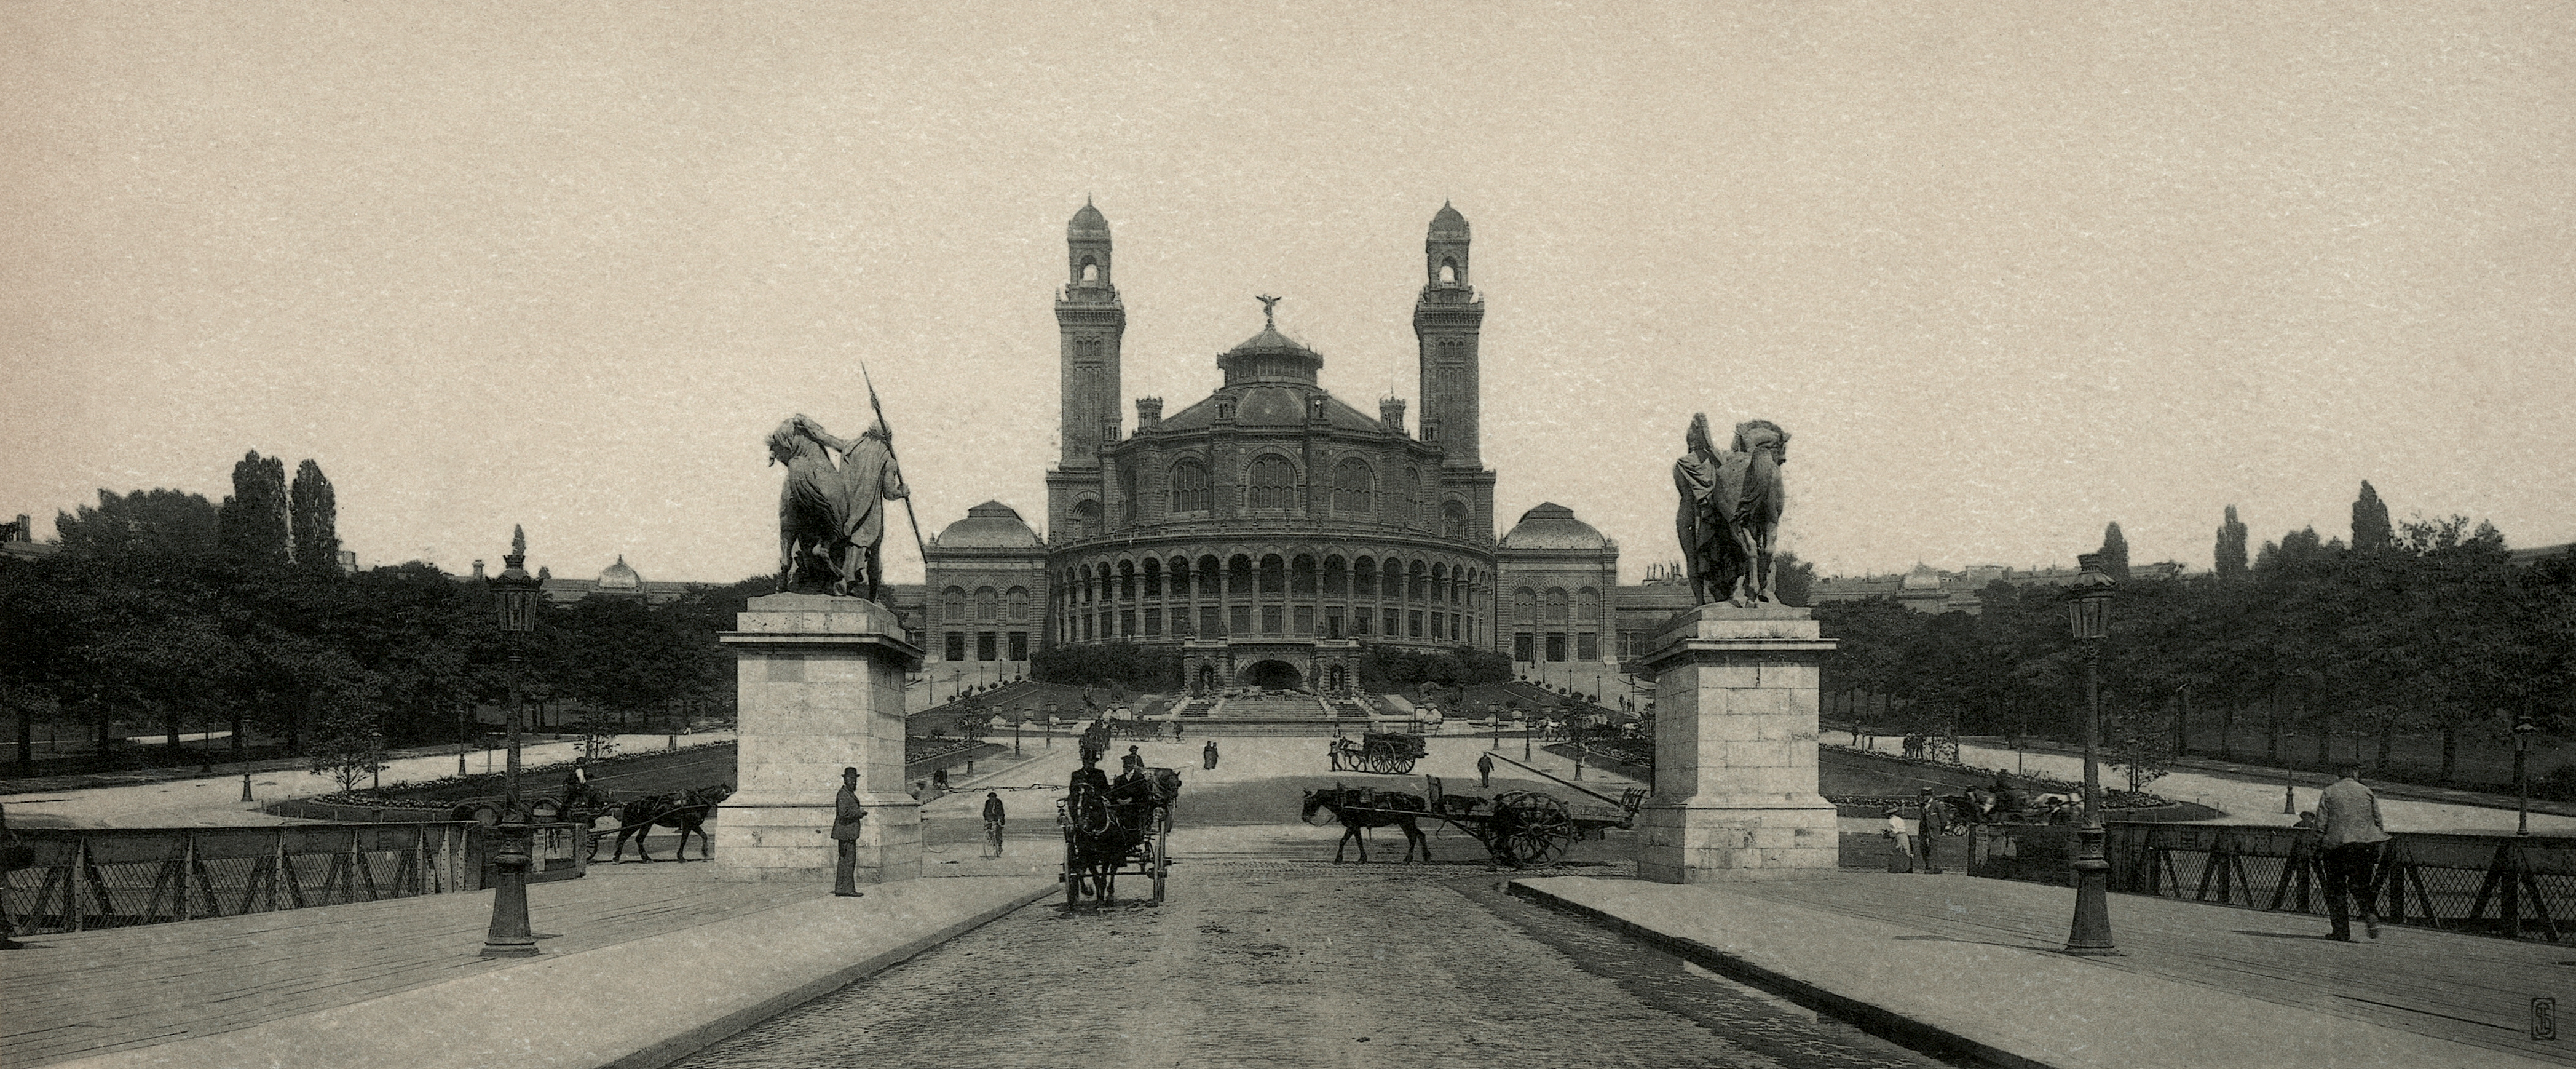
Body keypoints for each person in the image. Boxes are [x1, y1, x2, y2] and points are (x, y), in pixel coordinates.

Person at [2318, 763, 2391, 941]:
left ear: (2338, 774)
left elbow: (2321, 823)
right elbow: (2378, 821)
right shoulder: (2367, 792)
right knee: (2360, 886)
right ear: (2356, 774)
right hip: (2363, 846)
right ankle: (2369, 913)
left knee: (2336, 889)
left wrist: (2317, 844)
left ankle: (2341, 931)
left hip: (2337, 847)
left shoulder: (2330, 791)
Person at [831, 768, 866, 897]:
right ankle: (847, 889)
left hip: (847, 833)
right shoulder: (843, 794)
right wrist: (859, 813)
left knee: (844, 860)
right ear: (845, 780)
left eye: (855, 780)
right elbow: (843, 813)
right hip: (846, 833)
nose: (853, 782)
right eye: (851, 780)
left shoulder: (847, 793)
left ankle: (841, 889)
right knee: (849, 861)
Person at [1914, 788, 1946, 874]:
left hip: (1934, 831)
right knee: (1923, 848)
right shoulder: (1923, 805)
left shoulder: (1937, 805)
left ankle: (1930, 868)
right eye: (1923, 795)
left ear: (1930, 795)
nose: (1924, 797)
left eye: (1926, 795)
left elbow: (1943, 821)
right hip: (1924, 831)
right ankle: (1936, 867)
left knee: (1933, 849)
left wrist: (1939, 831)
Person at [1883, 805, 1913, 873]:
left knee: (1896, 852)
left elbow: (1895, 832)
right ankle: (1907, 868)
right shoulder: (1899, 819)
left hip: (1899, 837)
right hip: (1905, 836)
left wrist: (1886, 835)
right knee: (1906, 851)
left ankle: (1895, 869)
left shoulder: (1891, 820)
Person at [981, 791, 1006, 859]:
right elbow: (986, 811)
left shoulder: (999, 802)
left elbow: (1001, 812)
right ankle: (991, 839)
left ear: (995, 798)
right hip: (990, 818)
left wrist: (1001, 821)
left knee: (998, 832)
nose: (992, 799)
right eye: (990, 798)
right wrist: (986, 819)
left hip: (997, 818)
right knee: (988, 828)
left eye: (993, 798)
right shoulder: (988, 803)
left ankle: (1000, 845)